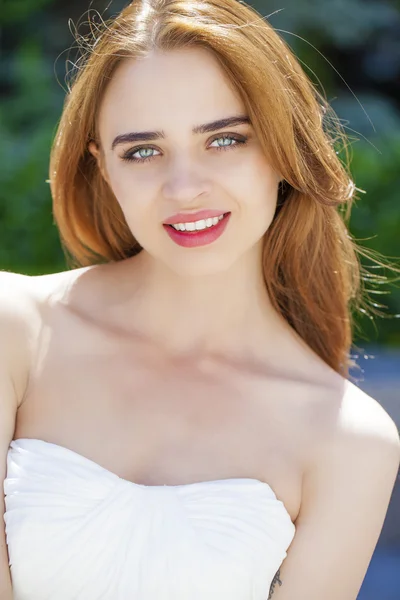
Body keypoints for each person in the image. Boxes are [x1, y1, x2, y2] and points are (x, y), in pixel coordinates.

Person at [1, 0, 399, 598]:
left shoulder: (350, 442)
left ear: (283, 147)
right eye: (142, 150)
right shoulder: (14, 330)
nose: (185, 188)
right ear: (103, 168)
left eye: (225, 140)